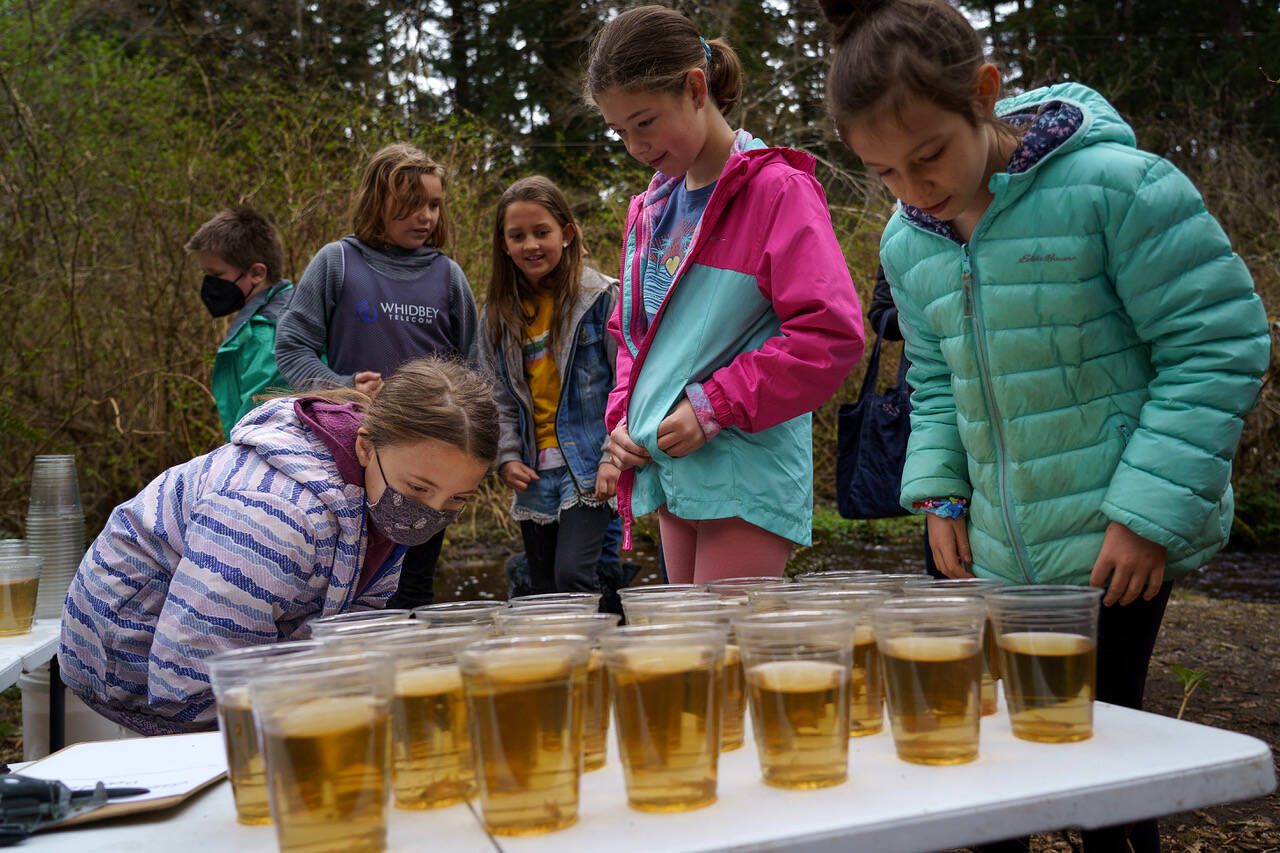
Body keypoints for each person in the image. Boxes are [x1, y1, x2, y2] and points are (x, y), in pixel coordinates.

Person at [820, 2, 1269, 850]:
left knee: (1105, 767)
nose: (916, 190)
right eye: (884, 173)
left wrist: (1145, 514)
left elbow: (1217, 344)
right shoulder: (909, 242)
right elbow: (937, 377)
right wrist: (941, 492)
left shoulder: (1119, 189)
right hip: (990, 552)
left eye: (929, 157)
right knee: (987, 770)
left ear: (984, 96)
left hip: (1114, 546)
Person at [58, 358, 498, 735]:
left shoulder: (381, 498)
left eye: (458, 499)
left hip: (250, 675)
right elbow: (191, 684)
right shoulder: (276, 514)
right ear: (365, 447)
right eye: (419, 488)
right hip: (128, 686)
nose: (431, 513)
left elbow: (346, 644)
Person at [586, 6, 865, 584]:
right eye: (620, 131)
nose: (635, 146)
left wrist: (715, 405)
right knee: (696, 659)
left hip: (745, 465)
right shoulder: (649, 213)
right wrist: (623, 421)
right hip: (669, 465)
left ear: (694, 87)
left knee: (728, 653)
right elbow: (631, 338)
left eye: (645, 122)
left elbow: (829, 335)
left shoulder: (777, 190)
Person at [274, 143, 481, 609]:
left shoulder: (449, 276)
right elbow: (291, 346)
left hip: (430, 465)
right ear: (376, 203)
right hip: (352, 454)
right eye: (409, 204)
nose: (424, 216)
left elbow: (475, 370)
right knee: (346, 586)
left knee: (413, 590)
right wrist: (343, 390)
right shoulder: (336, 262)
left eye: (433, 203)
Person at [477, 176, 619, 598]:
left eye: (542, 232)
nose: (530, 245)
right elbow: (493, 393)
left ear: (567, 233)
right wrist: (504, 456)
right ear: (503, 244)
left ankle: (608, 657)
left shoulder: (600, 298)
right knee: (542, 589)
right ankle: (569, 662)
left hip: (590, 466)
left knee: (574, 576)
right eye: (517, 236)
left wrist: (615, 455)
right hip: (533, 470)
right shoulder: (499, 314)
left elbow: (625, 384)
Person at [185, 206, 294, 440]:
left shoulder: (268, 335)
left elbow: (259, 433)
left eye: (215, 275)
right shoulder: (280, 313)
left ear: (256, 273)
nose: (208, 285)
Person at [867, 264, 941, 579]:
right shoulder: (900, 243)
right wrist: (923, 313)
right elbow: (880, 316)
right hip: (924, 392)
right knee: (938, 489)